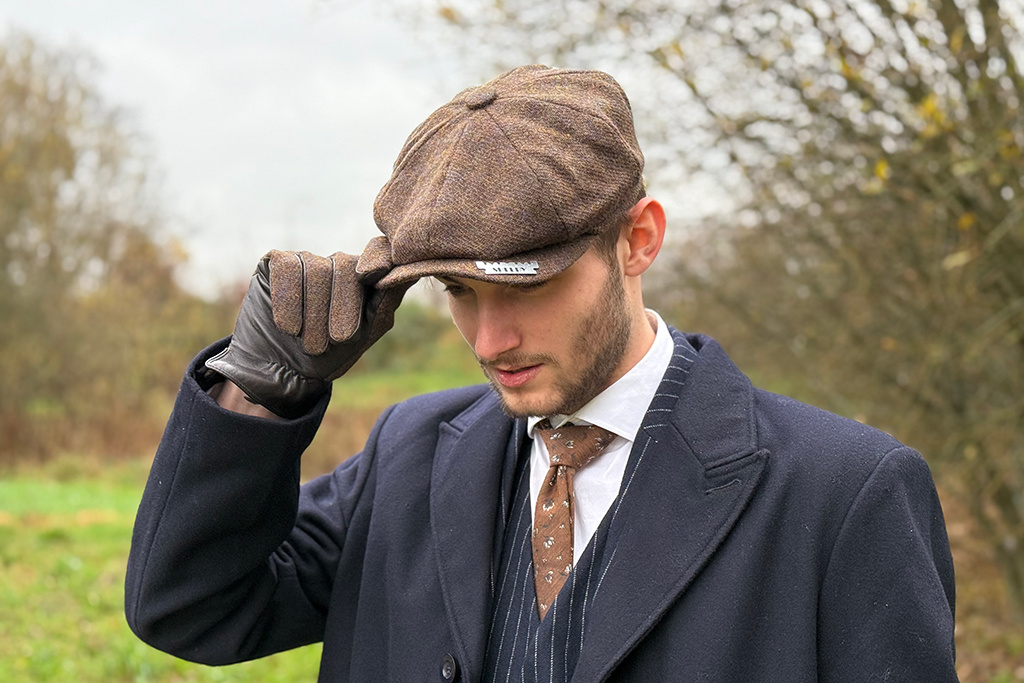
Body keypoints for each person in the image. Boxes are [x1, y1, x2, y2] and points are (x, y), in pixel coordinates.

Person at [125, 65, 958, 682]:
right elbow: (192, 604)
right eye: (457, 290)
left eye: (531, 284)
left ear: (638, 239)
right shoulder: (411, 451)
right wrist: (263, 388)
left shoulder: (845, 492)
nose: (490, 339)